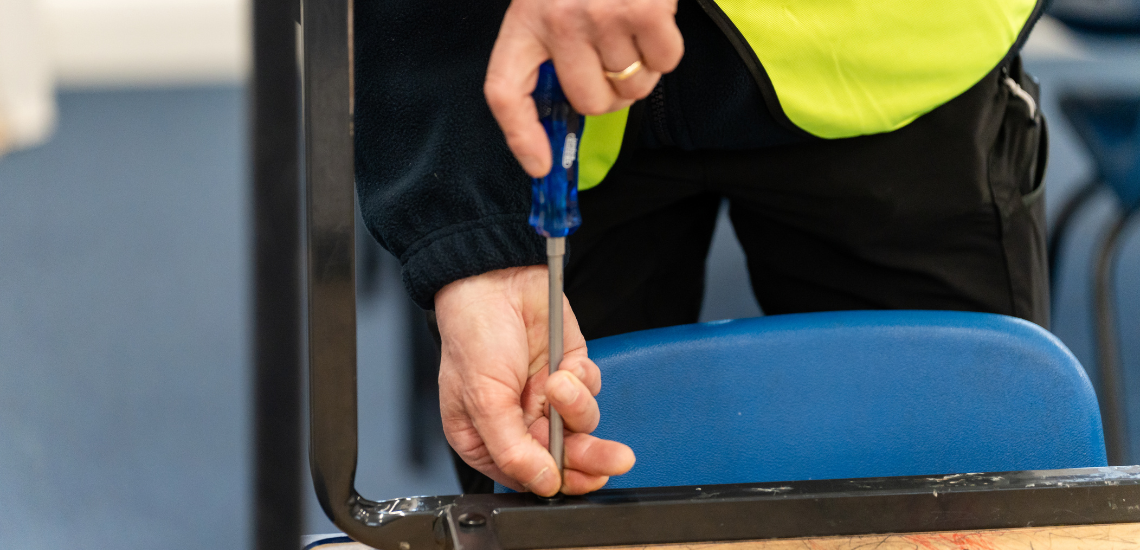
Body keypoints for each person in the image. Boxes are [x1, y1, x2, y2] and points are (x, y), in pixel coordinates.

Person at [353, 0, 1049, 497]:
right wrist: (470, 240)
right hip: (539, 91)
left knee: (956, 494)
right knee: (553, 481)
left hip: (893, 58)